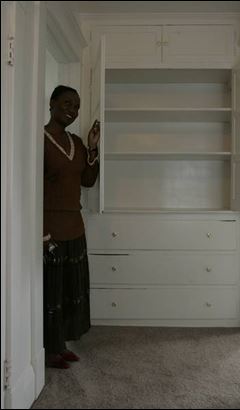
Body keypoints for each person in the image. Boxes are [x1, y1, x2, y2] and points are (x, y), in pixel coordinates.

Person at [43, 85, 100, 369]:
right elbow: (31, 191)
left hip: (75, 228)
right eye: (67, 102)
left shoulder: (76, 143)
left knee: (70, 290)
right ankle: (49, 349)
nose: (73, 109)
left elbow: (88, 181)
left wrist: (92, 148)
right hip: (50, 230)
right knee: (50, 293)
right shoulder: (38, 139)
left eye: (76, 106)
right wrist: (41, 233)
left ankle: (61, 343)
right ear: (51, 103)